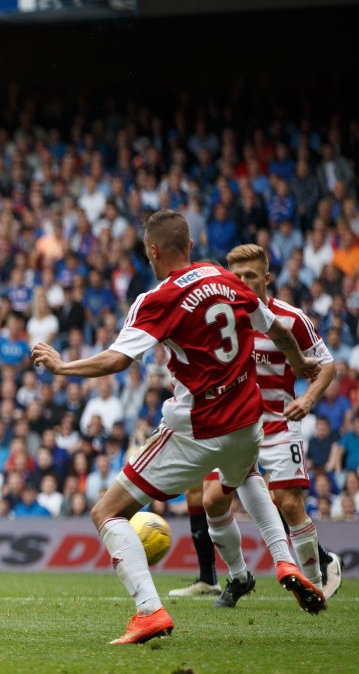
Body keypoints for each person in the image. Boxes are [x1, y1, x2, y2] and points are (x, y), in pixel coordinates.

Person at [31, 210, 323, 645]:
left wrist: (62, 366)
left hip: (196, 428)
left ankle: (149, 612)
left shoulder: (157, 299)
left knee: (106, 512)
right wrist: (301, 365)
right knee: (246, 475)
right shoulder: (225, 277)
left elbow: (118, 359)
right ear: (190, 245)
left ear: (153, 251)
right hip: (247, 421)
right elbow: (277, 330)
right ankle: (284, 561)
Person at [197, 244, 343, 606]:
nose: (244, 282)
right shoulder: (223, 319)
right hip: (235, 425)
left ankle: (314, 586)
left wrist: (307, 399)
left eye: (251, 276)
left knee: (289, 503)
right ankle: (240, 577)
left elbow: (327, 366)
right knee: (213, 500)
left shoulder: (290, 319)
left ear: (267, 278)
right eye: (238, 276)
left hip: (279, 422)